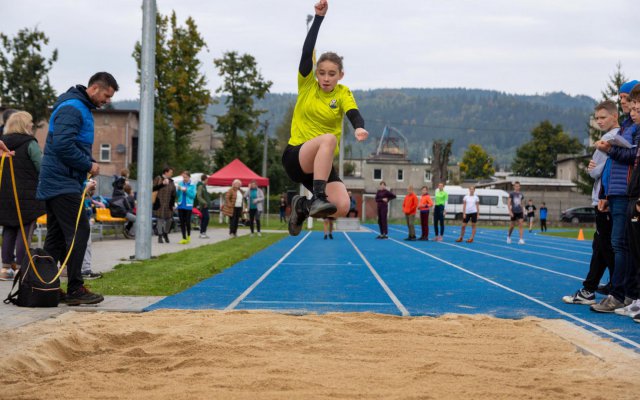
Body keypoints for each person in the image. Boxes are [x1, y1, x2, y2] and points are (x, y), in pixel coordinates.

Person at [283, 0, 369, 236]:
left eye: (332, 74)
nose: (326, 78)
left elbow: (353, 112)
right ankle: (318, 197)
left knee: (341, 206)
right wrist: (319, 19)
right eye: (322, 73)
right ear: (316, 73)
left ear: (341, 75)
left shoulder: (343, 93)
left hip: (321, 166)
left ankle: (302, 206)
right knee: (329, 139)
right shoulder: (307, 84)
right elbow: (306, 51)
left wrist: (359, 128)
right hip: (297, 156)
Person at [36, 71, 118, 305]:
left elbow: (71, 144)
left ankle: (46, 287)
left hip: (62, 181)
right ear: (94, 89)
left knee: (56, 237)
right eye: (106, 95)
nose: (107, 100)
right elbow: (62, 145)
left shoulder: (78, 107)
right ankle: (75, 288)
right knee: (79, 231)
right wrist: (88, 164)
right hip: (61, 182)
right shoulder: (73, 107)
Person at [563, 101, 620, 305]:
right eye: (597, 118)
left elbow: (597, 170)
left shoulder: (610, 139)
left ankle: (617, 289)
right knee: (600, 246)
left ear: (615, 116)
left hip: (604, 199)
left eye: (603, 117)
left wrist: (590, 169)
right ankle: (590, 288)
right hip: (604, 197)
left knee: (607, 246)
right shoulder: (611, 137)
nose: (599, 122)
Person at [591, 80, 640, 313]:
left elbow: (632, 157)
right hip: (617, 191)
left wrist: (609, 149)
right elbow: (612, 165)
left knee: (622, 246)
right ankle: (626, 294)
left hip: (627, 191)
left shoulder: (634, 127)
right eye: (621, 99)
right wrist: (604, 192)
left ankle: (620, 294)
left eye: (626, 99)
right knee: (620, 245)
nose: (624, 104)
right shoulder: (626, 126)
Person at [0, 111, 45, 281]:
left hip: (4, 195)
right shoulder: (30, 143)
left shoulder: (2, 142)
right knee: (24, 230)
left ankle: (5, 269)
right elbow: (41, 167)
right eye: (31, 122)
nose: (32, 125)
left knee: (9, 229)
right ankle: (21, 267)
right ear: (24, 124)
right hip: (27, 195)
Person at [153, 167, 176, 243]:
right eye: (171, 172)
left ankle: (165, 233)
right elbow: (153, 188)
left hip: (168, 204)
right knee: (160, 219)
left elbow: (173, 194)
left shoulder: (171, 181)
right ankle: (159, 236)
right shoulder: (158, 178)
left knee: (169, 219)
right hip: (159, 203)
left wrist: (172, 204)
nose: (172, 174)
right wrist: (162, 184)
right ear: (166, 172)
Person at [109, 172, 136, 239]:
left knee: (132, 217)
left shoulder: (115, 193)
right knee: (136, 219)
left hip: (115, 213)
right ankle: (130, 232)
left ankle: (127, 230)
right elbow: (128, 207)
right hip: (121, 213)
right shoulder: (122, 195)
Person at [176, 171, 196, 244]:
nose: (184, 179)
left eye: (186, 177)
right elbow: (178, 195)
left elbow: (193, 196)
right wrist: (178, 190)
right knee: (182, 222)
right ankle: (183, 238)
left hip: (188, 206)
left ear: (189, 177)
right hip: (181, 205)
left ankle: (188, 236)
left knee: (187, 222)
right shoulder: (180, 184)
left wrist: (186, 190)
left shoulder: (193, 185)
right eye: (183, 177)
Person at [195, 174, 211, 239]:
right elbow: (199, 196)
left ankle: (203, 232)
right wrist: (204, 202)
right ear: (205, 179)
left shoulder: (204, 186)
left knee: (206, 219)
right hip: (203, 205)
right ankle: (202, 232)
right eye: (207, 180)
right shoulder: (200, 186)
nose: (208, 181)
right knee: (205, 218)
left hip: (205, 205)